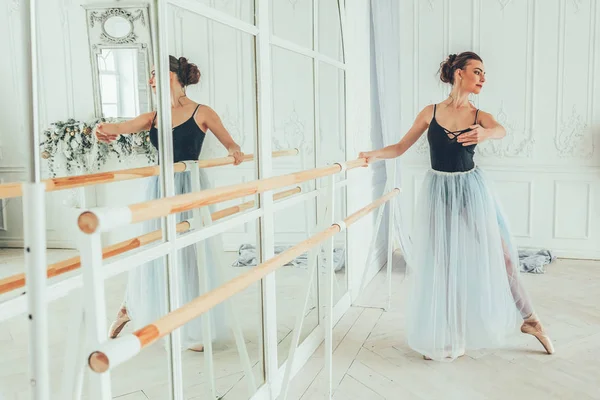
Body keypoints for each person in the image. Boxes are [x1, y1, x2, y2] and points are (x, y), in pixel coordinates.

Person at [359, 52, 554, 361]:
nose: (483, 78)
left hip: (470, 191)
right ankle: (450, 335)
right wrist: (371, 155)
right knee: (444, 265)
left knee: (502, 256)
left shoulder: (479, 115)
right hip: (438, 192)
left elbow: (501, 130)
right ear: (459, 73)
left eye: (484, 73)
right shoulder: (430, 112)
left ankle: (531, 319)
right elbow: (399, 147)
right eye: (477, 71)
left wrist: (487, 133)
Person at [96, 55, 244, 351]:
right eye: (149, 75)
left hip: (191, 187)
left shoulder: (202, 112)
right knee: (155, 249)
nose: (150, 80)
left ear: (174, 75)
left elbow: (231, 143)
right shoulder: (153, 116)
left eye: (155, 73)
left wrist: (234, 151)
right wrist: (103, 129)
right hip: (159, 189)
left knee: (190, 254)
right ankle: (129, 307)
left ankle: (188, 323)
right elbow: (121, 127)